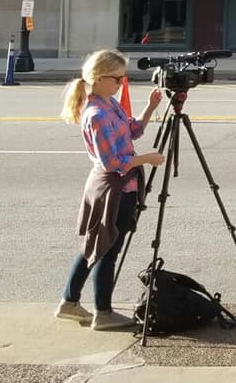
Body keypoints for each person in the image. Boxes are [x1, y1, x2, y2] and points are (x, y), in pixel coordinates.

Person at [56, 49, 164, 330]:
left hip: (119, 185)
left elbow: (133, 130)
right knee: (106, 249)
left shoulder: (110, 104)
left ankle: (69, 302)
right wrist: (147, 159)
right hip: (112, 188)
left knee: (94, 245)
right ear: (100, 78)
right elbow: (113, 162)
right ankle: (102, 312)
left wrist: (151, 106)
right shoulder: (96, 114)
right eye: (117, 78)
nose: (121, 83)